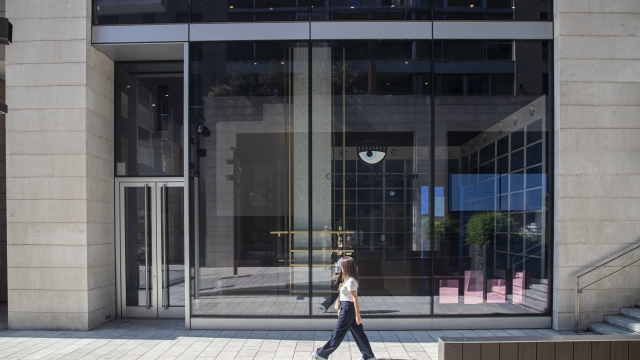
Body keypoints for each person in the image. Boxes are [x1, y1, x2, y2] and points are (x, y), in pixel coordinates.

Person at [312, 256, 376, 360]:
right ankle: (368, 356)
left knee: (338, 333)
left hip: (348, 310)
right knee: (359, 333)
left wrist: (358, 315)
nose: (340, 268)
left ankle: (322, 354)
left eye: (342, 266)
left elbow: (355, 298)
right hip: (346, 308)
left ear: (347, 267)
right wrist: (340, 308)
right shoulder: (347, 279)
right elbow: (345, 297)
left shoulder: (351, 281)